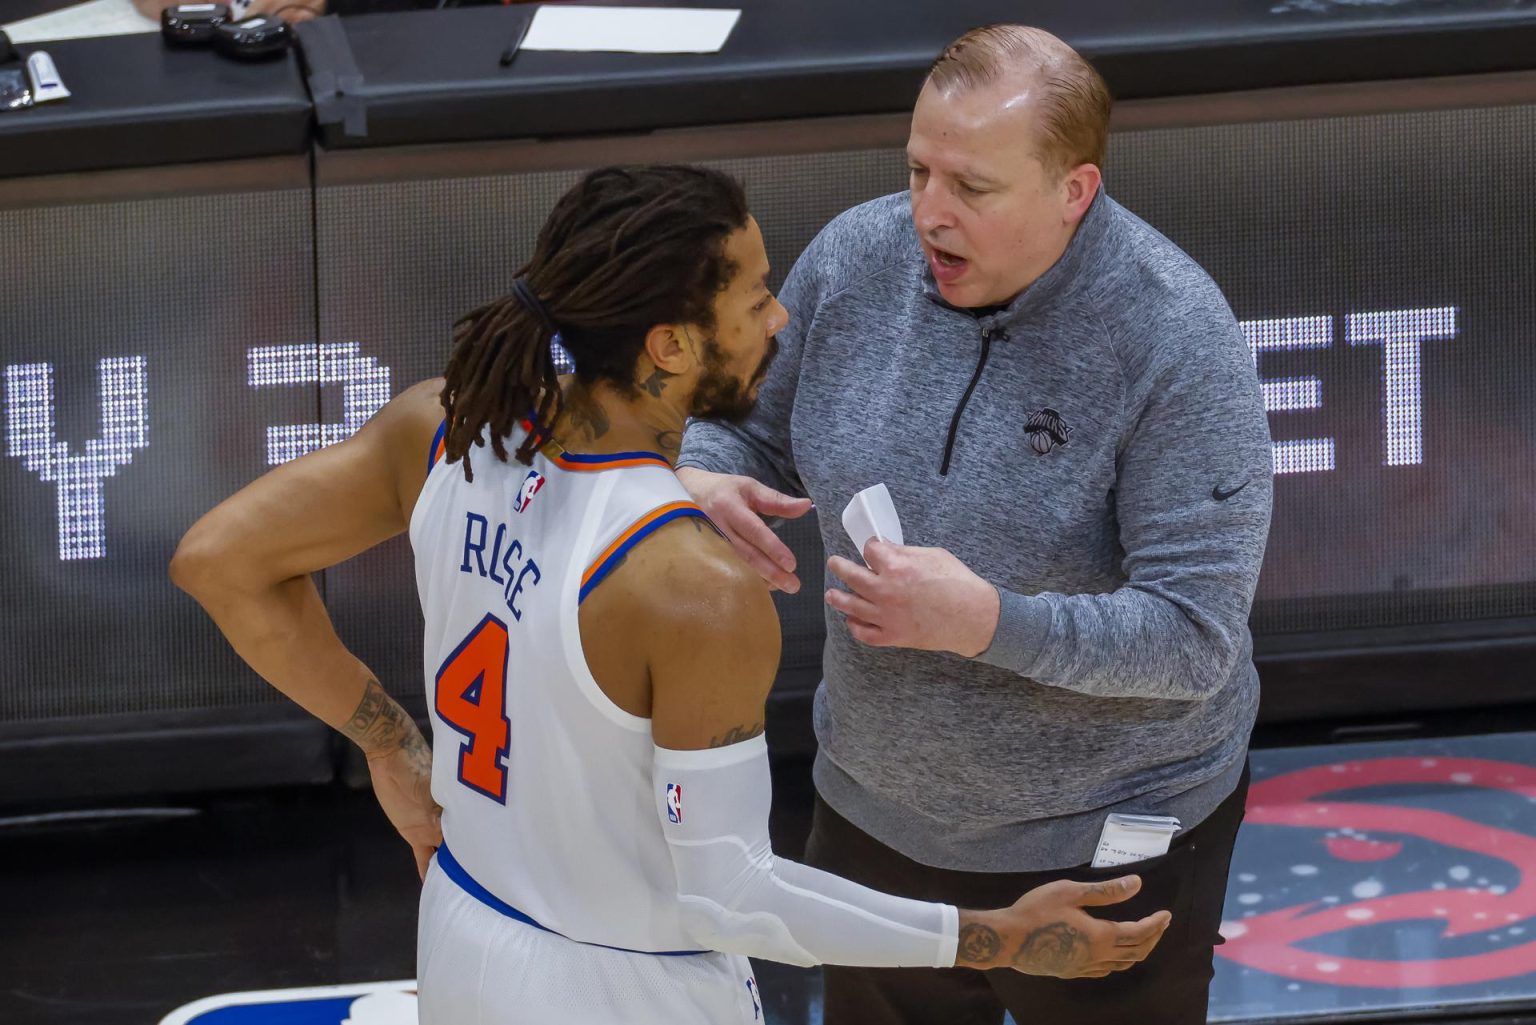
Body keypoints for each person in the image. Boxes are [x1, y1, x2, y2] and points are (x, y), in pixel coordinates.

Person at [170, 164, 1171, 1023]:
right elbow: (731, 897)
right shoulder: (692, 585)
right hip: (623, 985)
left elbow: (219, 559)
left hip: (466, 927)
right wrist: (988, 937)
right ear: (671, 345)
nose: (779, 319)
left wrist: (388, 739)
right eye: (755, 298)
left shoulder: (444, 425)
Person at [676, 25, 1275, 1025]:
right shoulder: (854, 260)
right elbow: (743, 424)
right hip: (874, 816)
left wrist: (988, 621)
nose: (927, 214)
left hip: (1106, 841)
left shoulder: (1175, 339)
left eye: (972, 188)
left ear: (1072, 191)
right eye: (917, 170)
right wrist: (708, 472)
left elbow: (1193, 639)